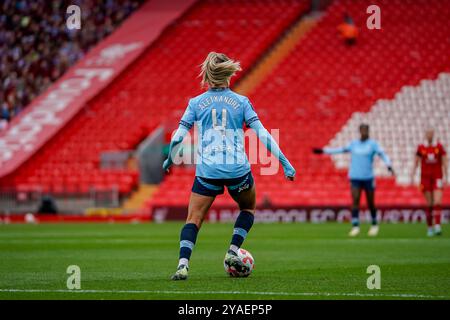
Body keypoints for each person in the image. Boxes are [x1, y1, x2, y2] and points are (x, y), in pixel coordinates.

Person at [163, 52, 296, 280]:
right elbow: (262, 134)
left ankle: (182, 265)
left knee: (194, 218)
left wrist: (168, 159)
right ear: (228, 74)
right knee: (247, 209)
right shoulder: (241, 102)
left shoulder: (195, 103)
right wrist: (285, 163)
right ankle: (232, 251)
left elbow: (178, 136)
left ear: (207, 74)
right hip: (237, 170)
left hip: (208, 171)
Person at [313, 124, 394, 237]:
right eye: (362, 130)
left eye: (366, 130)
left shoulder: (373, 144)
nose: (364, 132)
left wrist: (389, 165)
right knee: (355, 200)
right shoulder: (354, 144)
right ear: (360, 131)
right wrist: (323, 151)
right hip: (355, 177)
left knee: (370, 202)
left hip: (368, 177)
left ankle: (374, 224)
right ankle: (355, 226)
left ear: (368, 131)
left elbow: (383, 154)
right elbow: (339, 150)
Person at [411, 129, 448, 236]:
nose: (429, 135)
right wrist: (412, 174)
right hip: (425, 178)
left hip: (437, 177)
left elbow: (444, 160)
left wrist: (446, 174)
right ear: (425, 135)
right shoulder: (421, 147)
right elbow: (416, 162)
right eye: (428, 133)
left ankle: (437, 226)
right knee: (430, 204)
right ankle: (430, 227)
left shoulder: (439, 147)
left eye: (431, 133)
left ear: (433, 134)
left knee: (437, 202)